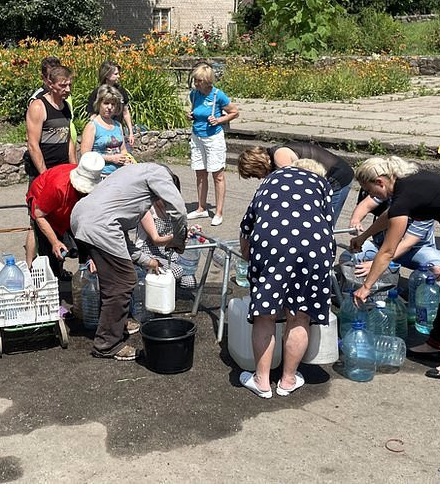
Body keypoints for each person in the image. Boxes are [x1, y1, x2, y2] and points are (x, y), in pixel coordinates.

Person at [352, 156, 440, 380]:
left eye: (370, 190)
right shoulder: (405, 183)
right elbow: (388, 216)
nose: (374, 196)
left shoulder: (404, 194)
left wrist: (366, 286)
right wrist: (363, 237)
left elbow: (388, 251)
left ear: (380, 182)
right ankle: (434, 343)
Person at [237, 158, 334, 398]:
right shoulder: (321, 184)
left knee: (265, 314)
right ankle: (288, 380)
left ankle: (261, 381)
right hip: (315, 246)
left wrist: (249, 255)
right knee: (300, 315)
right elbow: (328, 223)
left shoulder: (272, 179)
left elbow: (247, 224)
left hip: (272, 243)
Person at [70, 163, 187, 361]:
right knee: (123, 281)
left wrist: (149, 262)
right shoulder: (159, 174)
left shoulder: (131, 179)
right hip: (100, 226)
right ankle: (108, 344)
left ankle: (116, 325)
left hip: (81, 217)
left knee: (112, 283)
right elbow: (179, 211)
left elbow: (121, 240)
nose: (158, 201)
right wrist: (178, 238)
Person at [24, 64, 77, 265]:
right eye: (63, 85)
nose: (68, 90)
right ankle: (32, 266)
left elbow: (69, 141)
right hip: (43, 174)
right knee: (37, 221)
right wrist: (45, 175)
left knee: (61, 220)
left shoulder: (65, 106)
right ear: (50, 84)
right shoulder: (38, 106)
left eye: (69, 85)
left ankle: (58, 267)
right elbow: (33, 144)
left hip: (63, 173)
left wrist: (75, 169)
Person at [26, 151, 105, 279]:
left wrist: (92, 255)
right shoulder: (58, 186)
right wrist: (55, 242)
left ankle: (83, 270)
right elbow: (40, 215)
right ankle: (52, 280)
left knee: (83, 240)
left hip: (67, 205)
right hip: (43, 202)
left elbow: (89, 222)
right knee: (49, 250)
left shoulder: (96, 189)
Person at [238, 143, 354, 225]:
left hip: (337, 177)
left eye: (254, 174)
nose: (259, 178)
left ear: (257, 164)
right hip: (324, 177)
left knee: (324, 221)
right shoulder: (275, 159)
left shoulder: (279, 155)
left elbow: (293, 187)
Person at [185, 63, 239, 227]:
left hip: (213, 138)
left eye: (199, 80)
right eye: (195, 80)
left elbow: (234, 112)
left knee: (217, 174)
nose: (195, 83)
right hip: (197, 136)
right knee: (200, 173)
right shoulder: (194, 94)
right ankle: (201, 208)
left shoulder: (217, 95)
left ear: (207, 81)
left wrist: (219, 120)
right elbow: (196, 112)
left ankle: (219, 212)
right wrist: (191, 115)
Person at [345, 194, 440, 280]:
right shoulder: (393, 190)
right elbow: (367, 203)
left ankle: (417, 289)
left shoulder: (427, 204)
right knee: (349, 256)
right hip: (382, 246)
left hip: (417, 250)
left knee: (439, 271)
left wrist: (377, 263)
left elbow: (407, 243)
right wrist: (355, 221)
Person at [79, 85, 132, 176]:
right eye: (106, 103)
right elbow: (85, 155)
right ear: (99, 104)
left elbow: (123, 150)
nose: (110, 107)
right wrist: (111, 159)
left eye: (113, 104)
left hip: (119, 173)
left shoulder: (117, 125)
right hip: (100, 174)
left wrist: (127, 160)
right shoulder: (92, 126)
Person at [84, 61, 134, 146]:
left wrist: (131, 132)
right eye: (115, 74)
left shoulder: (121, 91)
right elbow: (92, 115)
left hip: (118, 131)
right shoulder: (97, 93)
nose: (119, 76)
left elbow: (125, 112)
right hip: (103, 135)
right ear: (107, 75)